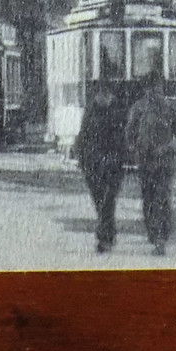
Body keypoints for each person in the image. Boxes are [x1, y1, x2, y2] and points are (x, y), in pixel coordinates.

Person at [124, 76, 176, 255]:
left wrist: (167, 148)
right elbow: (129, 133)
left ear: (161, 88)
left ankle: (160, 237)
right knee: (148, 199)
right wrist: (135, 150)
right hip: (145, 162)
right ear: (145, 90)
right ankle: (153, 233)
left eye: (156, 88)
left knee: (161, 199)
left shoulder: (172, 108)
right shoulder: (138, 108)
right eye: (150, 88)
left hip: (164, 162)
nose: (153, 92)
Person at [74, 83, 126, 254]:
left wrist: (123, 157)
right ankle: (108, 232)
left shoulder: (117, 111)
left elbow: (122, 138)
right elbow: (83, 135)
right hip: (94, 163)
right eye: (100, 93)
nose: (102, 96)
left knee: (107, 201)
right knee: (100, 201)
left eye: (105, 93)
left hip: (111, 163)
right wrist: (81, 157)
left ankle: (104, 237)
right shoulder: (91, 111)